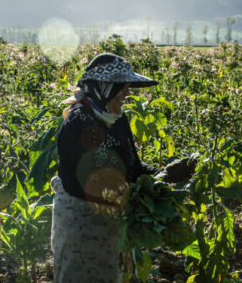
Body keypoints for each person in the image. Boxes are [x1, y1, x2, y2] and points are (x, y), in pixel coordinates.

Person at [52, 53, 190, 282]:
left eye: (127, 86)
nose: (127, 92)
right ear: (102, 87)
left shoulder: (118, 120)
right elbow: (75, 181)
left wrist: (165, 174)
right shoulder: (79, 121)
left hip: (113, 222)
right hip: (81, 221)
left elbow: (133, 167)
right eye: (121, 86)